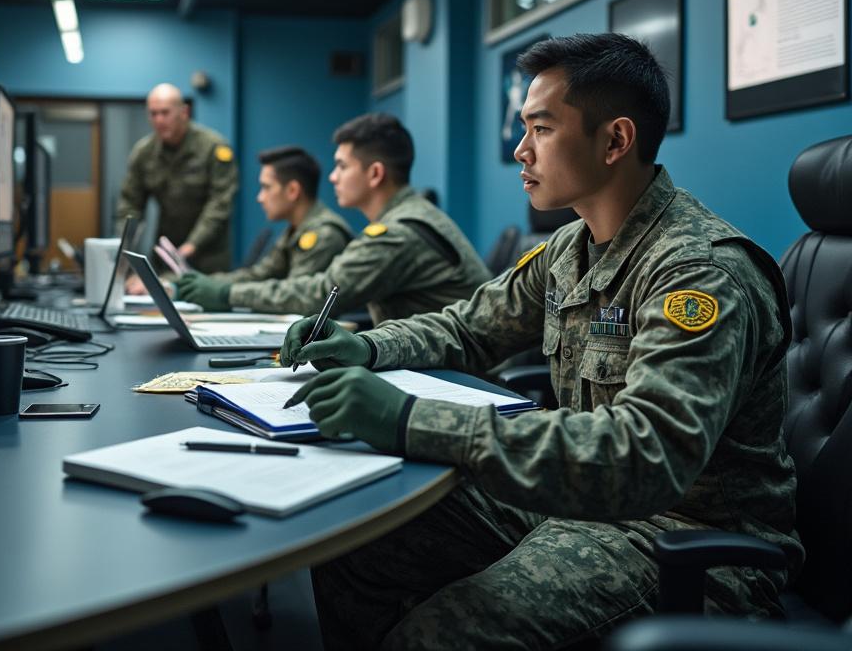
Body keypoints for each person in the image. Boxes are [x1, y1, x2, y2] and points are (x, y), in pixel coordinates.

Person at [279, 34, 802, 650]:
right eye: (524, 128)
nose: (521, 151)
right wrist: (368, 346)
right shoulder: (570, 247)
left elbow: (646, 455)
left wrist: (410, 419)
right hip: (583, 503)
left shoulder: (699, 272)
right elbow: (467, 327)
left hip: (685, 541)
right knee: (353, 533)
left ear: (615, 141)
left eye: (542, 129)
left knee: (436, 637)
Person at [177, 113, 491, 323]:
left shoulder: (397, 233)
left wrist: (225, 293)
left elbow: (322, 293)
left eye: (342, 166)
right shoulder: (407, 216)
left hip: (457, 379)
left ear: (375, 174)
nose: (332, 177)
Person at [116, 83, 238, 280]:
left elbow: (220, 204)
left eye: (165, 113)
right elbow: (130, 204)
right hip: (165, 252)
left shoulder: (213, 147)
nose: (159, 120)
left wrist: (191, 246)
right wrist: (125, 250)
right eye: (153, 114)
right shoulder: (144, 153)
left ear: (184, 112)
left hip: (208, 255)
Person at [198, 146, 352, 283]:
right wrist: (204, 283)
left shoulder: (324, 235)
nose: (260, 198)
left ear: (292, 190)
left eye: (266, 187)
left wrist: (226, 293)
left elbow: (294, 295)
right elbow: (260, 275)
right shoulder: (295, 229)